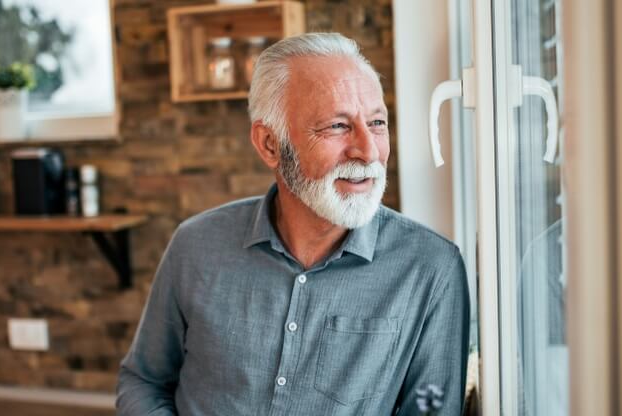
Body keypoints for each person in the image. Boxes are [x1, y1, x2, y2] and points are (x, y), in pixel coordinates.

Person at [117, 32, 470, 415]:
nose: (369, 151)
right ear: (270, 144)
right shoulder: (195, 245)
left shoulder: (431, 267)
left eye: (377, 122)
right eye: (337, 126)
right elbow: (145, 381)